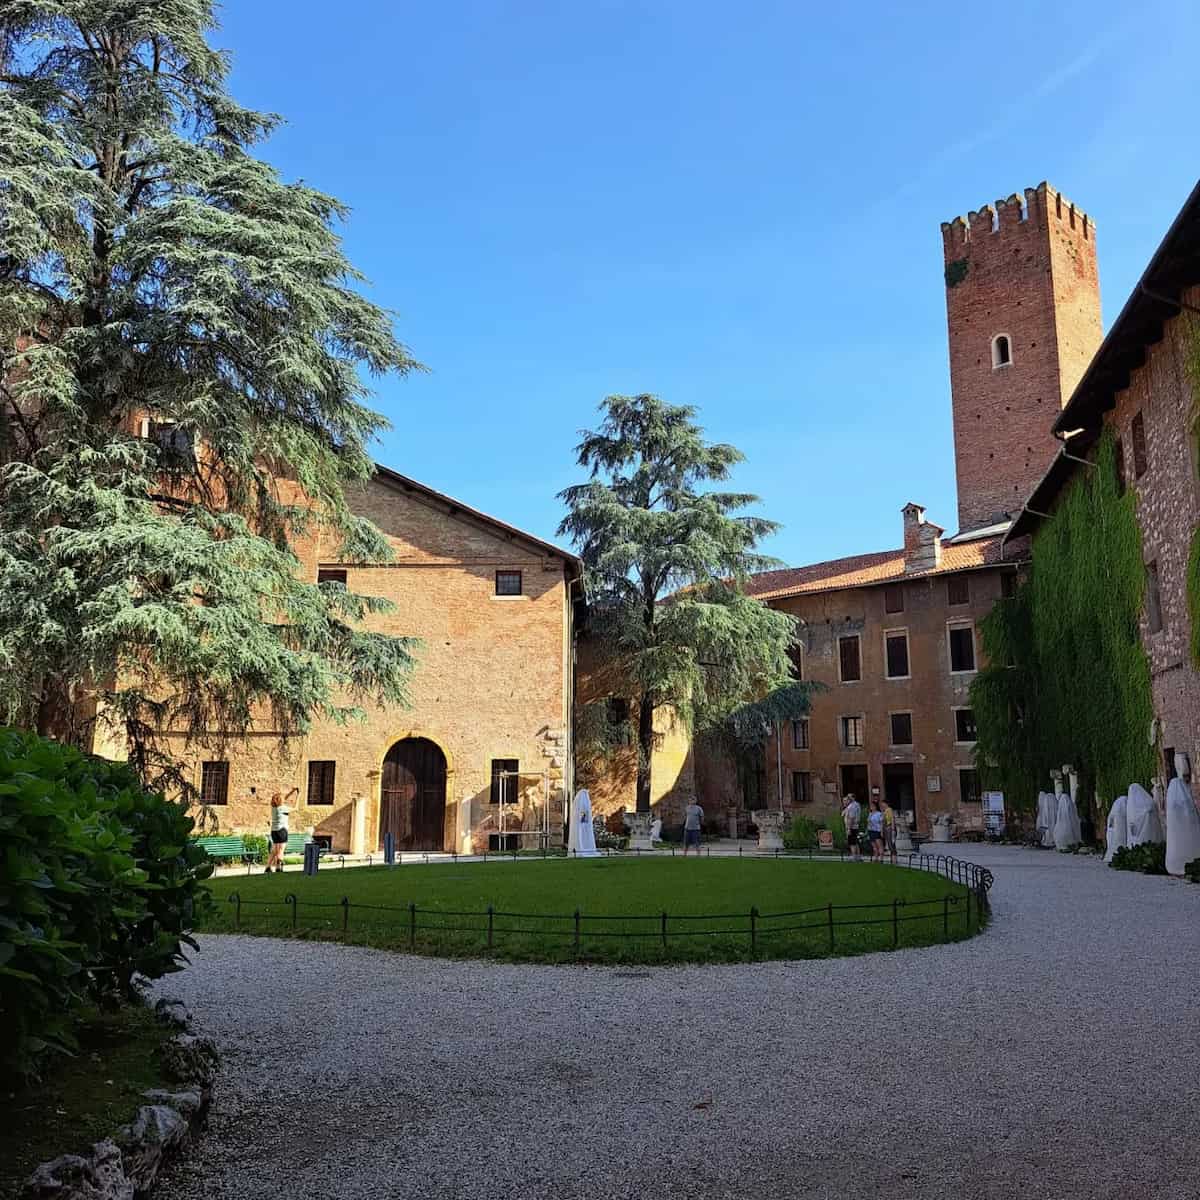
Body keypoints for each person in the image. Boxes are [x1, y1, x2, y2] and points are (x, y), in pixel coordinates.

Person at [266, 787, 299, 873]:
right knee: (281, 850)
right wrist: (298, 796)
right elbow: (296, 808)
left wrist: (292, 792)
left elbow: (284, 798)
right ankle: (278, 867)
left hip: (274, 831)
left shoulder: (273, 808)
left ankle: (268, 867)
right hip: (282, 831)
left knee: (274, 850)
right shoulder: (283, 808)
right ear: (280, 801)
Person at [842, 793, 862, 860]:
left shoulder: (852, 806)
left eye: (848, 799)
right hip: (854, 826)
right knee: (855, 842)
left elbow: (851, 818)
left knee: (852, 842)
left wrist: (849, 828)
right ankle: (857, 856)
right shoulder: (853, 805)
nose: (846, 800)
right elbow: (842, 814)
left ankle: (854, 856)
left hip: (852, 826)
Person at [867, 797, 885, 862]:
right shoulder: (870, 814)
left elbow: (881, 823)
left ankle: (881, 858)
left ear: (875, 806)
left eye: (872, 806)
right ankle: (876, 857)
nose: (871, 807)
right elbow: (868, 823)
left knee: (879, 845)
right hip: (871, 830)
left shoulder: (879, 814)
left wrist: (881, 832)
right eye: (870, 806)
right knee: (874, 846)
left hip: (877, 831)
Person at [881, 797, 898, 864]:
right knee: (890, 844)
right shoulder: (885, 811)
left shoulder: (889, 810)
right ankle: (892, 859)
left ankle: (894, 859)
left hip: (890, 828)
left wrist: (893, 829)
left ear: (886, 803)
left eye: (883, 803)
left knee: (891, 844)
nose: (882, 805)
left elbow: (892, 819)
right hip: (887, 828)